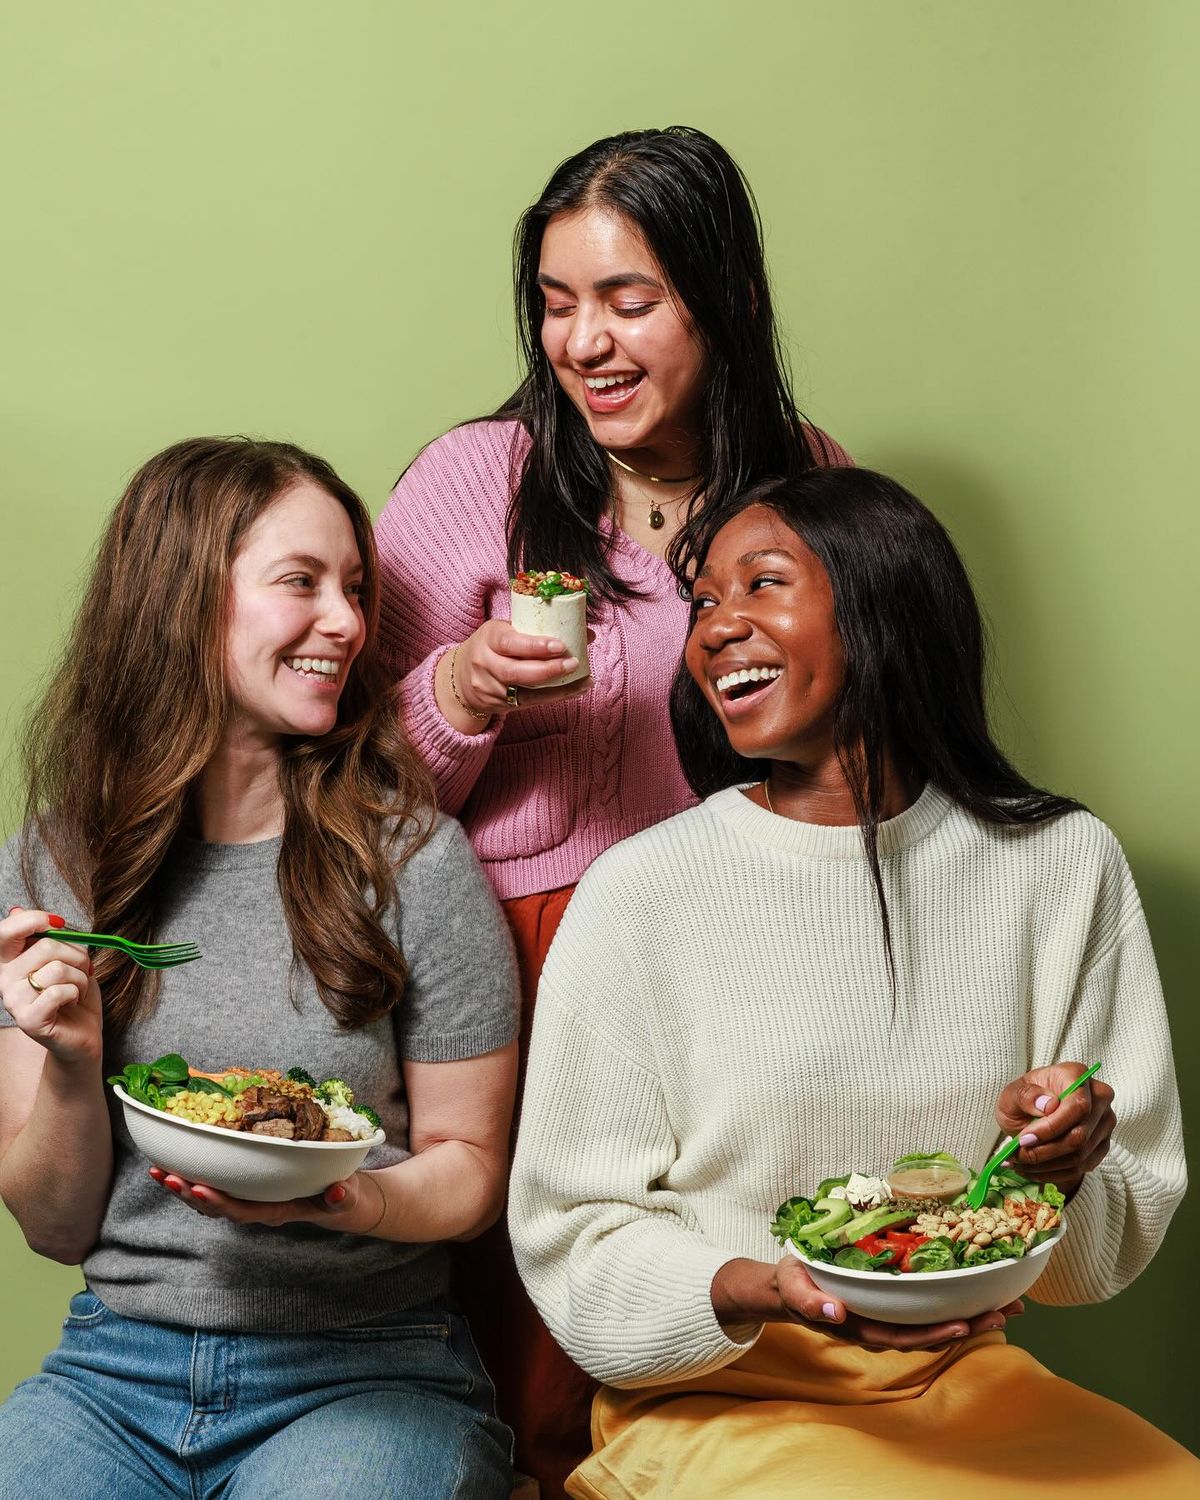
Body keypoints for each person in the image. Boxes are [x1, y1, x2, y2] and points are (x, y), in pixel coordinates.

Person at [508, 467, 1195, 1498]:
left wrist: (1060, 1171)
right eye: (703, 604)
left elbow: (1094, 1258)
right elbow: (571, 1232)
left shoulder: (1061, 865)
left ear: (883, 602)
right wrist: (762, 1290)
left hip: (966, 1387)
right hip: (718, 1405)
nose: (715, 629)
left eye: (762, 585)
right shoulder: (643, 891)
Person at [375, 125, 850, 1497]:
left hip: (739, 965)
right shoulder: (480, 480)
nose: (585, 340)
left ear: (728, 299)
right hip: (513, 963)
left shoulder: (814, 486)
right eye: (558, 301)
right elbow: (346, 797)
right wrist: (459, 688)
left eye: (629, 299)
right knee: (522, 1356)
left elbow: (870, 749)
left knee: (709, 1329)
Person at [0, 437, 519, 1499]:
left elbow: (470, 1171)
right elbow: (54, 1228)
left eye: (356, 588)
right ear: (184, 601)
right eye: (302, 583)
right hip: (115, 1372)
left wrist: (341, 1204)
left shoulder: (414, 858)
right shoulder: (56, 861)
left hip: (367, 1369)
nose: (348, 623)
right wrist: (68, 1059)